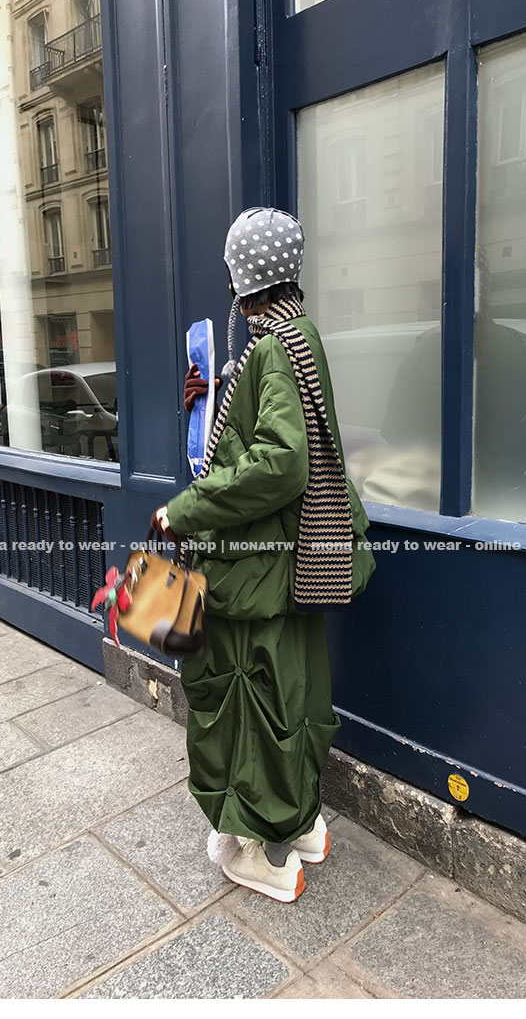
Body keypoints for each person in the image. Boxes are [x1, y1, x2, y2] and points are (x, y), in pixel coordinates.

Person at [151, 207, 375, 903]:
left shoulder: (271, 347)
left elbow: (280, 461)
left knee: (242, 702)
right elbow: (266, 434)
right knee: (290, 695)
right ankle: (302, 826)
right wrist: (214, 397)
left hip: (252, 569)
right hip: (290, 567)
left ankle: (265, 854)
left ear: (241, 277)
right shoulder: (297, 335)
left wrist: (183, 512)